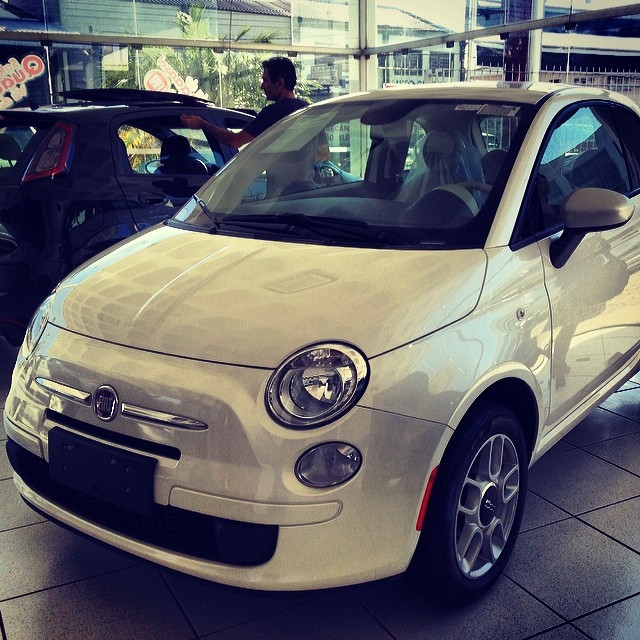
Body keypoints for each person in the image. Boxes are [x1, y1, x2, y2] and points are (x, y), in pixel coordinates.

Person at [180, 57, 309, 149]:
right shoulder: (308, 109)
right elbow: (323, 152)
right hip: (310, 186)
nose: (262, 86)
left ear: (280, 83)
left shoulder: (272, 113)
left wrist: (202, 124)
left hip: (282, 186)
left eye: (265, 80)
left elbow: (235, 141)